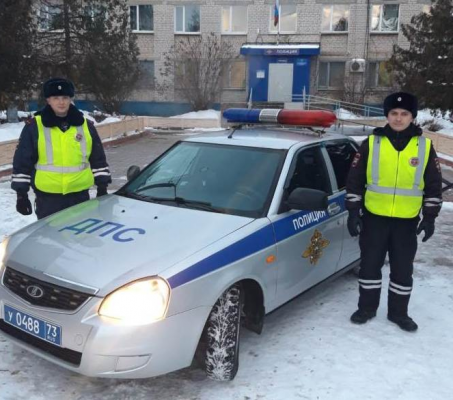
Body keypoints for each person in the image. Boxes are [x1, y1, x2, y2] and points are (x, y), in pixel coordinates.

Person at [346, 92, 443, 332]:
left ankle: (399, 313)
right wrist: (353, 212)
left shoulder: (424, 147)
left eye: (404, 114)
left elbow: (433, 185)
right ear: (387, 115)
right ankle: (366, 308)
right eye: (394, 113)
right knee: (370, 266)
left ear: (412, 116)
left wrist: (430, 218)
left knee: (402, 269)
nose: (398, 118)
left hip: (406, 222)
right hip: (374, 219)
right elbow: (355, 180)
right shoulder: (371, 143)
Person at [11, 77, 112, 219]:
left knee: (81, 232)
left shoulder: (85, 125)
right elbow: (23, 161)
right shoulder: (35, 126)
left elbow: (98, 158)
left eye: (65, 97)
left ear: (70, 99)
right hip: (48, 199)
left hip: (80, 195)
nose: (61, 102)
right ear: (48, 100)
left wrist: (102, 187)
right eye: (56, 98)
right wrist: (21, 194)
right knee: (50, 233)